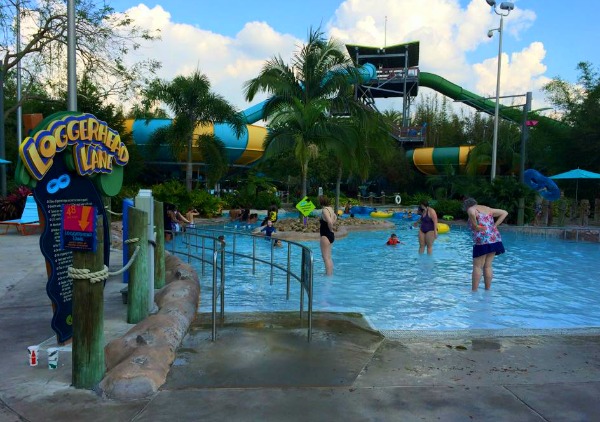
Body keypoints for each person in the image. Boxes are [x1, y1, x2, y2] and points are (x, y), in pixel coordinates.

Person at [463, 197, 508, 292]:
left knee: (477, 266)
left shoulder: (472, 209)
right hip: (495, 238)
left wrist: (475, 226)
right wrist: (495, 225)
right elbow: (505, 212)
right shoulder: (488, 209)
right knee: (488, 265)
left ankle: (474, 292)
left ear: (467, 206)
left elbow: (471, 212)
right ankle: (487, 290)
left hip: (483, 240)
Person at [319, 195, 337, 276]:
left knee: (325, 258)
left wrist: (330, 229)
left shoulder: (324, 210)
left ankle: (328, 276)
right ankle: (330, 274)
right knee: (329, 257)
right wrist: (331, 230)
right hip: (330, 235)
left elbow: (330, 222)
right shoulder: (331, 209)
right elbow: (335, 218)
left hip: (325, 235)